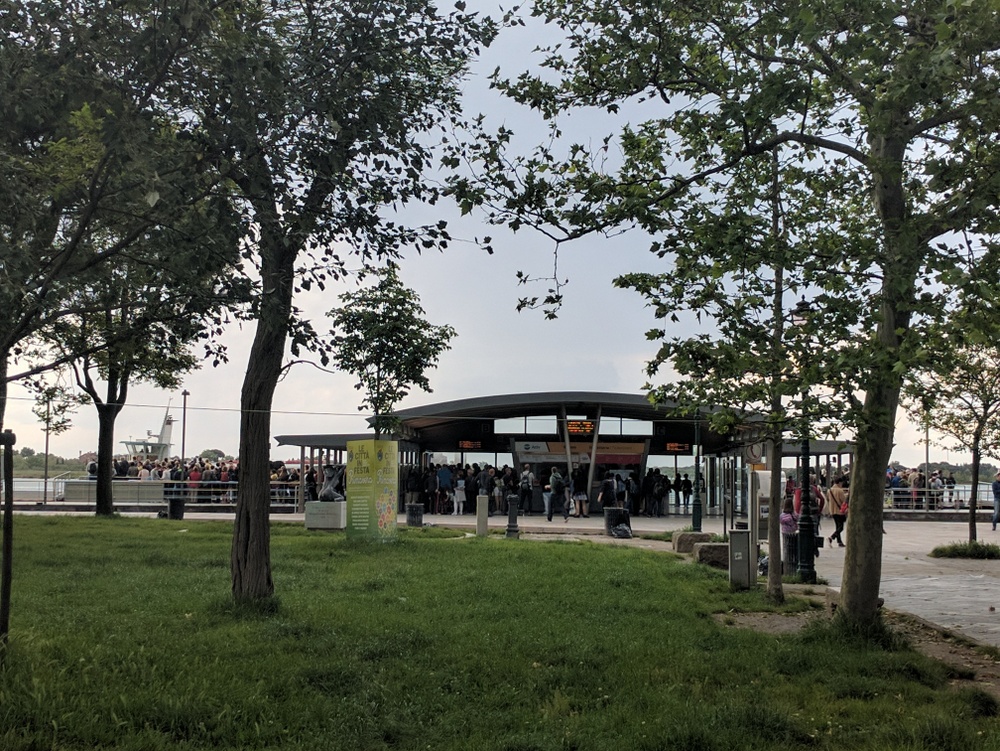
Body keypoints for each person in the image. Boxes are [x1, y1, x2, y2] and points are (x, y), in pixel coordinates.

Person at [827, 477, 848, 547]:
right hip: (839, 511)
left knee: (837, 526)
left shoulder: (829, 490)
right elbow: (844, 501)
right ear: (839, 483)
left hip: (832, 510)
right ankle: (831, 537)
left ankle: (839, 541)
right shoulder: (840, 491)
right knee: (841, 527)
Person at [779, 497, 799, 573]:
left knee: (786, 548)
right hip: (793, 533)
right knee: (794, 549)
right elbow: (798, 518)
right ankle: (794, 562)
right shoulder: (794, 514)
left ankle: (787, 561)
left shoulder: (782, 515)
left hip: (785, 533)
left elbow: (781, 521)